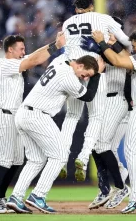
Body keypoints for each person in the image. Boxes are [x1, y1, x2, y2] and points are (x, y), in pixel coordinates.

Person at [0, 33, 65, 213]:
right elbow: (32, 61)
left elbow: (34, 57)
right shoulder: (4, 64)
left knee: (16, 161)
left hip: (14, 118)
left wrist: (53, 45)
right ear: (10, 49)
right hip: (4, 116)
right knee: (3, 162)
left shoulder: (17, 62)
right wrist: (55, 45)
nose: (24, 52)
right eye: (21, 49)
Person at [6, 54, 104, 214]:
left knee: (36, 160)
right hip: (38, 115)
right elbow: (88, 96)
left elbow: (66, 57)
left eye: (89, 77)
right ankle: (38, 195)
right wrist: (97, 74)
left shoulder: (58, 63)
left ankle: (16, 197)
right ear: (79, 66)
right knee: (60, 155)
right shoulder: (68, 76)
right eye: (86, 74)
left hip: (24, 113)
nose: (85, 78)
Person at [56, 0, 131, 182]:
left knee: (71, 116)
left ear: (75, 9)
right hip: (95, 71)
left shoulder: (67, 23)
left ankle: (62, 158)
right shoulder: (103, 19)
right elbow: (128, 42)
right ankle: (82, 157)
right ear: (92, 5)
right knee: (96, 117)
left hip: (73, 71)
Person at [92, 28, 136, 214]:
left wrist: (101, 42)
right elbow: (126, 56)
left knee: (131, 150)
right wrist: (115, 44)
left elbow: (118, 60)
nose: (132, 49)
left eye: (134, 46)